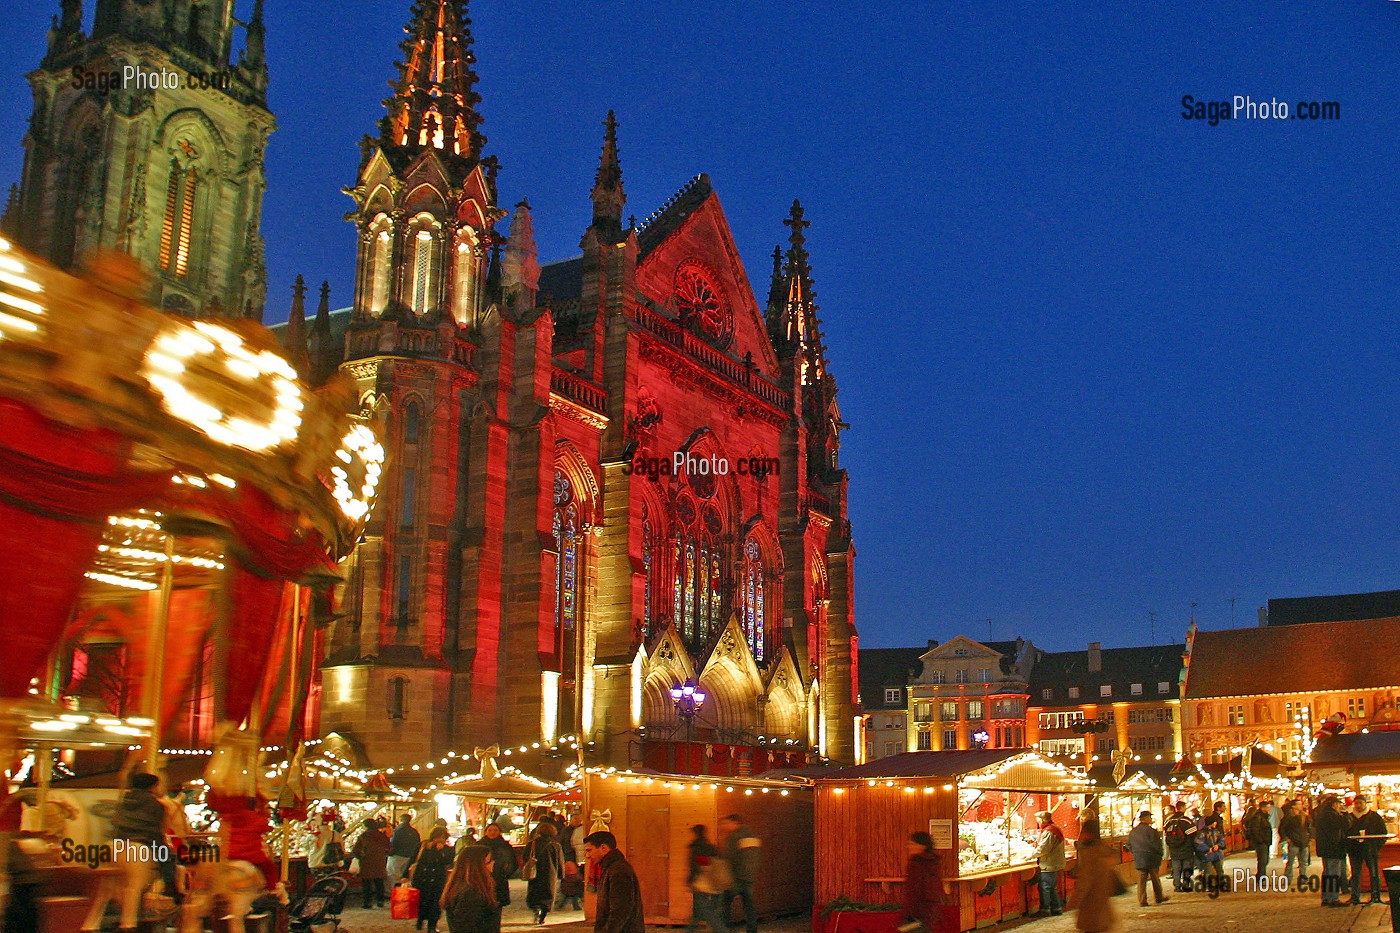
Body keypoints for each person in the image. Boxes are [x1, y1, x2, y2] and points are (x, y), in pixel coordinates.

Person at [81, 771, 167, 933]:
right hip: (137, 847)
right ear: (153, 787)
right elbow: (156, 831)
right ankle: (128, 925)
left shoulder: (123, 801)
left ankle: (90, 925)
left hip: (113, 845)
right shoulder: (156, 805)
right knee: (133, 888)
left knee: (104, 890)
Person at [584, 830, 645, 933]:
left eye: (589, 850)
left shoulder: (618, 870)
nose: (587, 855)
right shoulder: (610, 868)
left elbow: (620, 910)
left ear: (603, 848)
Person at [1065, 820, 1116, 933]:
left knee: (1092, 926)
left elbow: (1086, 879)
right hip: (1101, 897)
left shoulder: (1090, 853)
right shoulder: (1102, 848)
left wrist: (1075, 900)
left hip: (1091, 900)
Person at [442, 845, 502, 933]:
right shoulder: (471, 893)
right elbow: (466, 926)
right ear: (479, 866)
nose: (493, 863)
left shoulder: (472, 887)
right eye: (489, 862)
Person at [409, 827, 459, 933]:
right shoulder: (423, 845)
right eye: (438, 837)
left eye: (442, 837)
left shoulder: (447, 849)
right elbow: (413, 859)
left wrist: (441, 852)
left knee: (435, 904)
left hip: (437, 880)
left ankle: (432, 926)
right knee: (421, 901)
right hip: (421, 878)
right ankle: (420, 919)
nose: (440, 840)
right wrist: (405, 875)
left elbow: (448, 863)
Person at [719, 813, 761, 933]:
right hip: (749, 877)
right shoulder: (752, 835)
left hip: (736, 877)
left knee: (724, 903)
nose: (724, 826)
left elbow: (730, 857)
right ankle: (752, 930)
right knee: (749, 906)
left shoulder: (734, 836)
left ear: (735, 822)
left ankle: (724, 929)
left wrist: (727, 876)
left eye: (726, 823)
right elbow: (755, 857)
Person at [1345, 794, 1388, 905]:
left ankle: (1375, 895)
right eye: (1357, 803)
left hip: (1370, 849)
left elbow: (1383, 832)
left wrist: (1376, 846)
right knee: (1355, 873)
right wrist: (1349, 845)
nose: (1358, 805)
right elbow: (1345, 833)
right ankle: (1355, 897)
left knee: (1374, 872)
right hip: (1355, 849)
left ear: (1365, 803)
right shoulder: (1349, 817)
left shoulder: (1374, 816)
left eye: (1361, 803)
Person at [688, 824, 729, 933]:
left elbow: (695, 865)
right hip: (715, 882)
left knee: (705, 909)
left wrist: (691, 879)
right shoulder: (711, 846)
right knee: (703, 908)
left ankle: (722, 930)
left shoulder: (697, 847)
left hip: (702, 882)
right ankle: (691, 930)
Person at [902, 830, 946, 932]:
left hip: (917, 912)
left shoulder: (916, 863)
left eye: (912, 844)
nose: (909, 847)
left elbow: (913, 890)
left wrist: (908, 913)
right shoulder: (934, 862)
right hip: (930, 911)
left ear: (922, 846)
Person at [525, 821, 565, 924]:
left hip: (535, 873)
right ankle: (542, 916)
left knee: (534, 893)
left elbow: (525, 857)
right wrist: (561, 874)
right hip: (550, 874)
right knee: (548, 895)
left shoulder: (532, 844)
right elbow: (560, 861)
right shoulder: (555, 845)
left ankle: (535, 910)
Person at [1127, 810, 1169, 907]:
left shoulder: (1133, 832)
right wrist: (1160, 854)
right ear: (1146, 819)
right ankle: (1159, 897)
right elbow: (1156, 845)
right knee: (1155, 878)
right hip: (1152, 857)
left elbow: (1129, 845)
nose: (1151, 819)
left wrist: (1136, 853)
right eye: (1150, 817)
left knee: (1141, 880)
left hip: (1140, 858)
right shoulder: (1152, 831)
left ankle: (1142, 900)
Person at [1314, 794, 1349, 907]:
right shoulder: (1332, 815)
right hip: (1334, 848)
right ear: (1334, 804)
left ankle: (1326, 898)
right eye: (1339, 804)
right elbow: (1346, 824)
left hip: (1325, 849)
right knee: (1334, 873)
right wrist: (1346, 814)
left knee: (1328, 873)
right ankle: (1333, 898)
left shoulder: (1322, 815)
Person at [353, 818, 393, 909]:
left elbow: (356, 850)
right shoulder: (382, 835)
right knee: (379, 882)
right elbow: (389, 847)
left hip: (366, 861)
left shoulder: (364, 836)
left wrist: (360, 857)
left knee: (367, 884)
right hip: (379, 861)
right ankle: (380, 900)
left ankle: (367, 902)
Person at [1032, 811, 1064, 916]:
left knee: (1045, 887)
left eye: (1038, 820)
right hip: (1054, 862)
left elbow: (1044, 849)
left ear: (1043, 820)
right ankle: (1056, 908)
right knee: (1052, 887)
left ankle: (1045, 910)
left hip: (1049, 863)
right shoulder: (1055, 828)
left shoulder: (1049, 831)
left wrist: (1032, 855)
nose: (1038, 822)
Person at [480, 823, 518, 906]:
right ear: (485, 832)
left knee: (498, 903)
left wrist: (505, 873)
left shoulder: (505, 845)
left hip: (499, 879)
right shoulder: (479, 845)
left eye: (495, 830)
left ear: (499, 832)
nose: (492, 832)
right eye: (490, 830)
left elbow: (512, 862)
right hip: (482, 879)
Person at [1163, 802, 1197, 892]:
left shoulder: (1169, 821)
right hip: (1186, 849)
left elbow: (1166, 833)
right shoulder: (1186, 821)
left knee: (1176, 867)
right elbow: (1193, 833)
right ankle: (1186, 883)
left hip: (1174, 849)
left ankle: (1177, 885)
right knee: (1187, 867)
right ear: (1182, 808)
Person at [1195, 804, 1227, 898]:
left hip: (1216, 853)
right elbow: (1199, 843)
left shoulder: (1216, 831)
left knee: (1219, 870)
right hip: (1208, 854)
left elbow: (1222, 840)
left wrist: (1218, 845)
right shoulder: (1202, 833)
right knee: (1208, 871)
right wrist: (1208, 849)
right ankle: (1209, 886)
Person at [1279, 800, 1312, 888]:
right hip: (1294, 842)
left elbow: (1309, 827)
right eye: (1299, 804)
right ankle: (1287, 879)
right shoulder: (1289, 816)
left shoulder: (1304, 816)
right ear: (1293, 806)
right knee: (1290, 862)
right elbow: (1282, 828)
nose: (1301, 806)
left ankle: (1303, 878)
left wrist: (1309, 837)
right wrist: (1287, 839)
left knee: (1304, 862)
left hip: (1304, 841)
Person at [559, 813, 585, 911]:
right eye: (575, 819)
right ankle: (569, 902)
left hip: (579, 859)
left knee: (576, 881)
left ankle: (566, 902)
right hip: (569, 858)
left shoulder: (581, 830)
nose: (577, 821)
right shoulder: (566, 831)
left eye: (578, 819)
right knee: (571, 881)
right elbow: (562, 843)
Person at [1242, 800, 1272, 881]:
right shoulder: (1258, 817)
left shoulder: (1264, 816)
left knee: (1264, 860)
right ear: (1263, 808)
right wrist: (1260, 840)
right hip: (1261, 842)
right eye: (1268, 807)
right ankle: (1261, 877)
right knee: (1263, 860)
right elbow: (1254, 830)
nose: (1269, 808)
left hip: (1264, 841)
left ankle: (1260, 876)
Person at [391, 813, 423, 883]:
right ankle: (403, 892)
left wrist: (390, 853)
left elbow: (393, 843)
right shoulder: (414, 831)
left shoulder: (397, 831)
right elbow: (417, 844)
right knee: (405, 878)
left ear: (400, 820)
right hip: (410, 857)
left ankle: (394, 892)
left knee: (393, 877)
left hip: (397, 856)